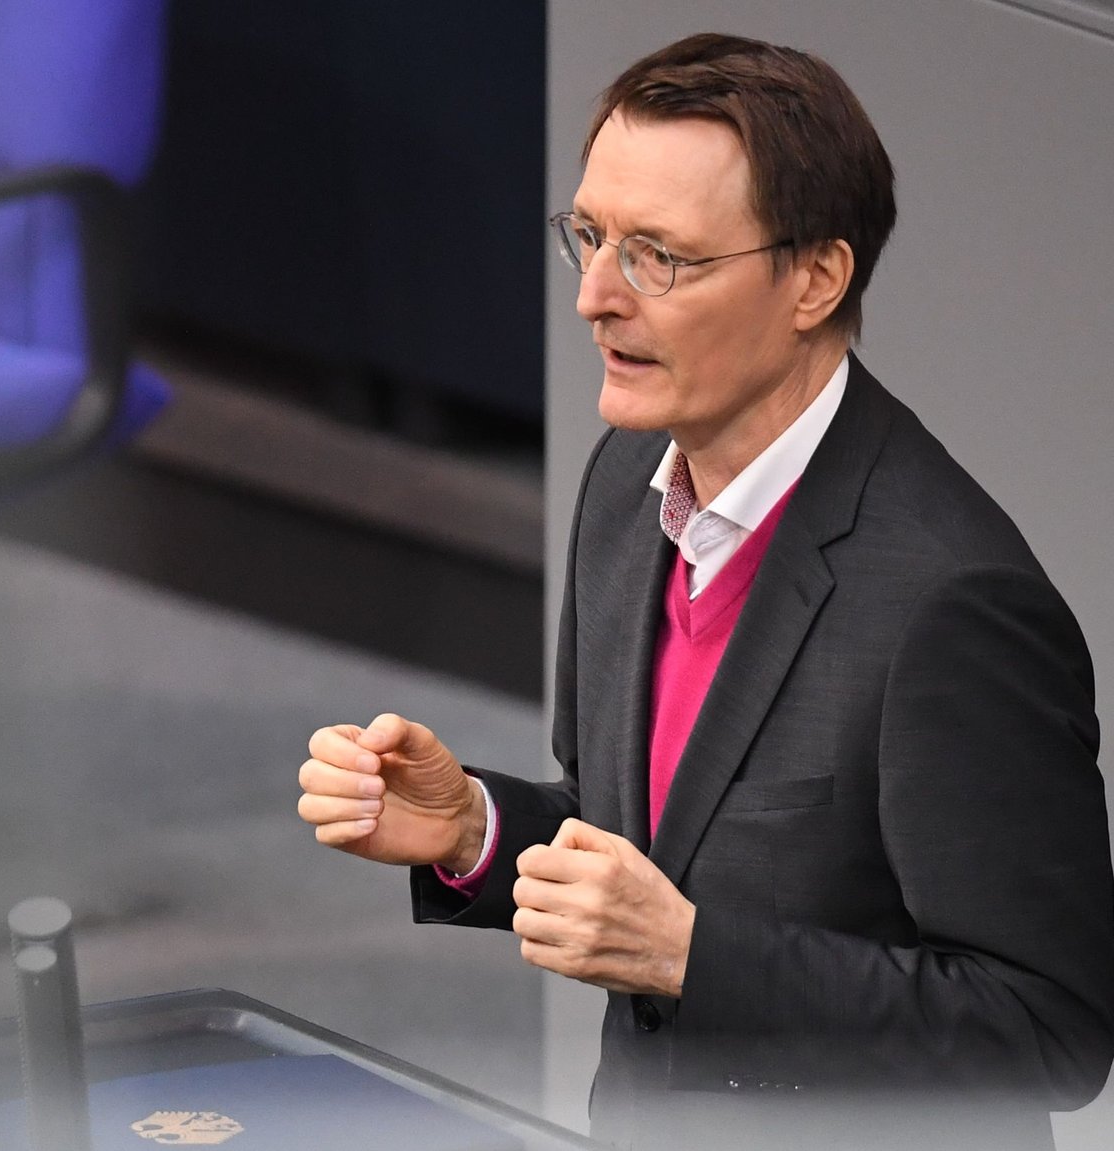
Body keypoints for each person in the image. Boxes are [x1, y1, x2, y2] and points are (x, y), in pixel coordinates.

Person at [296, 32, 1114, 1150]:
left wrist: (693, 955)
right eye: (586, 236)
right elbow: (652, 838)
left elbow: (1045, 1027)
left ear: (814, 279)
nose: (593, 296)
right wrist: (474, 829)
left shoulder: (950, 602)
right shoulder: (626, 486)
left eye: (657, 256)